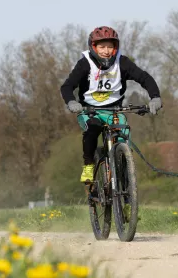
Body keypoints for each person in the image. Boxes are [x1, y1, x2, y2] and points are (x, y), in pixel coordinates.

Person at [60, 26, 162, 183]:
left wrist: (155, 97)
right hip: (89, 110)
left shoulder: (122, 62)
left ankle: (125, 185)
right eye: (102, 47)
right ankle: (88, 165)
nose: (106, 51)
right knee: (92, 128)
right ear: (94, 47)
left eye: (110, 46)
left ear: (115, 47)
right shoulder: (85, 64)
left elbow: (144, 78)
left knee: (123, 137)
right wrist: (71, 102)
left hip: (114, 111)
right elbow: (67, 86)